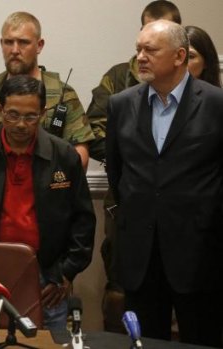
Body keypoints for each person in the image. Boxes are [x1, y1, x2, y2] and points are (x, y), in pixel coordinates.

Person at [0, 75, 95, 330]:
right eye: (12, 115)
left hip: (48, 279)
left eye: (30, 116)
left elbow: (83, 219)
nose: (21, 124)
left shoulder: (64, 156)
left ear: (43, 113)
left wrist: (66, 273)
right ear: (0, 110)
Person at [106, 20, 223, 347]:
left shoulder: (216, 104)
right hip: (140, 255)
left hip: (199, 254)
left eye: (150, 50)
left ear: (179, 56)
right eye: (138, 49)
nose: (141, 57)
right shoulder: (121, 105)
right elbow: (118, 174)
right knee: (143, 342)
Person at [85, 0, 181, 333]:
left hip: (186, 221)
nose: (144, 52)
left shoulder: (204, 96)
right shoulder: (118, 82)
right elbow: (100, 137)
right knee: (124, 289)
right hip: (130, 205)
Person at [0, 11, 94, 171]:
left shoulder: (62, 95)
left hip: (47, 189)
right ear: (1, 44)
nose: (15, 50)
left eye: (23, 42)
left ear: (39, 45)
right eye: (9, 42)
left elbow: (80, 157)